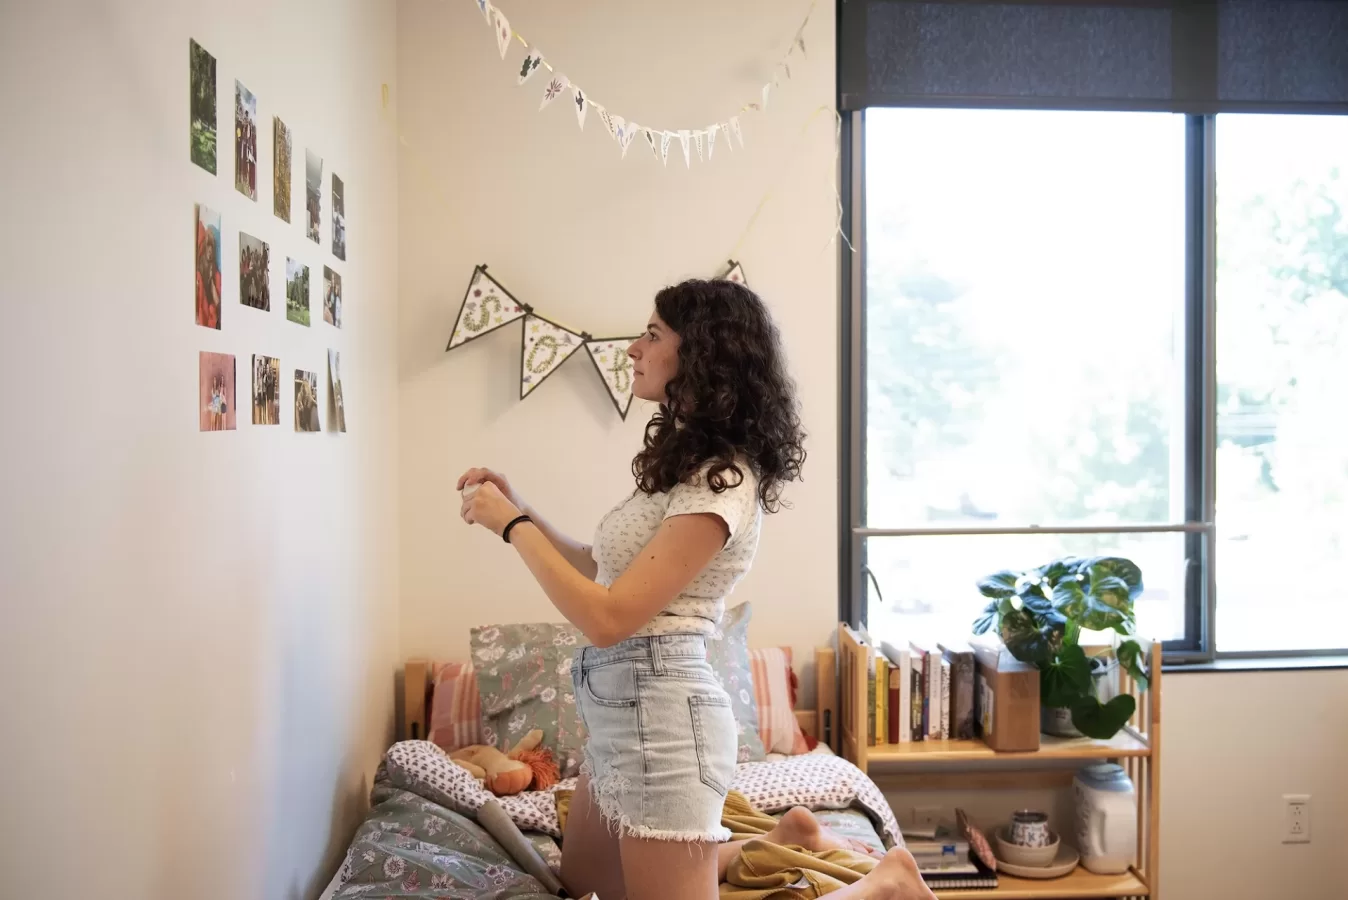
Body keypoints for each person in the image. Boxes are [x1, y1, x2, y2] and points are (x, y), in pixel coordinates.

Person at [458, 279, 935, 900]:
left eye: (653, 335)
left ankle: (886, 884)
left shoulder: (721, 484)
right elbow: (599, 569)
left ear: (703, 356)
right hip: (619, 716)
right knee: (582, 885)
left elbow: (609, 618)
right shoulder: (682, 470)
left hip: (663, 721)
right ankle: (776, 841)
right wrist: (524, 509)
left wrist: (511, 528)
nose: (633, 348)